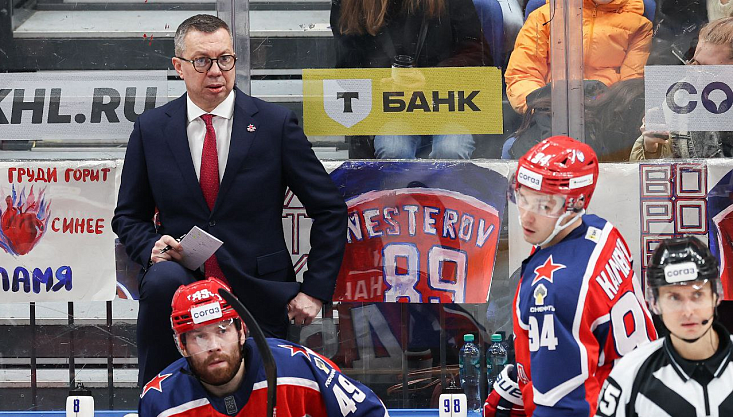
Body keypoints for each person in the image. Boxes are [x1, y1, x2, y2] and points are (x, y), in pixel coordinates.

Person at [111, 14, 348, 388]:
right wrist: (150, 247)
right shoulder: (152, 129)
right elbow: (128, 216)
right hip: (179, 289)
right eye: (202, 61)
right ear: (178, 67)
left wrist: (315, 290)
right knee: (161, 282)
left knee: (262, 399)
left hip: (257, 291)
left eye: (225, 59)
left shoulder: (274, 124)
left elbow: (330, 209)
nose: (216, 71)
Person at [485, 136, 657, 417]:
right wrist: (524, 376)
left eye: (544, 205)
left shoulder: (552, 292)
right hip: (638, 394)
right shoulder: (601, 231)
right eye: (523, 197)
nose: (527, 216)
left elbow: (564, 408)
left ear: (576, 203)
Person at [138, 278, 390, 417]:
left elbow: (372, 413)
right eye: (198, 337)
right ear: (181, 346)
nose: (213, 346)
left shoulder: (297, 366)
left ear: (241, 332)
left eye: (223, 330)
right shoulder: (160, 401)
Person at [331, 0, 491, 159]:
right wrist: (381, 85)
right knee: (394, 149)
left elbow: (479, 56)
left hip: (448, 107)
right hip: (390, 111)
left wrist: (430, 80)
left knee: (450, 149)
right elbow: (347, 72)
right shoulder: (352, 4)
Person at [595, 237, 733, 417]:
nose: (687, 311)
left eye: (697, 295)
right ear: (655, 302)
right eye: (674, 298)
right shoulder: (629, 374)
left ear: (715, 295)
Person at [505, 0, 652, 114]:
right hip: (551, 112)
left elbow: (631, 87)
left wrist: (605, 114)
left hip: (606, 118)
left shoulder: (639, 26)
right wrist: (543, 109)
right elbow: (522, 75)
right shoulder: (544, 16)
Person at [630, 17, 733, 160]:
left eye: (711, 71)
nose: (697, 78)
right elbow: (645, 168)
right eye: (696, 64)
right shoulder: (681, 96)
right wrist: (651, 149)